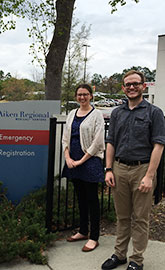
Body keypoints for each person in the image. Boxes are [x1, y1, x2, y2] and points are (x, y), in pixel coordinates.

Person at [101, 70, 165, 270]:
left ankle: (136, 259)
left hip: (142, 170)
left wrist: (149, 176)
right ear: (123, 87)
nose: (131, 87)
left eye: (135, 83)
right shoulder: (117, 113)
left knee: (140, 218)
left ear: (143, 86)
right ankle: (119, 254)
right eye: (127, 84)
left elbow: (159, 145)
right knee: (122, 216)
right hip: (119, 169)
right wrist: (109, 169)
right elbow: (110, 142)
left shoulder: (154, 113)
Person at [62, 84, 105, 252]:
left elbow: (98, 141)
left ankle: (94, 237)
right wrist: (68, 158)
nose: (82, 97)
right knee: (80, 198)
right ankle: (82, 231)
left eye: (85, 94)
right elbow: (65, 138)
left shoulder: (97, 115)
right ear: (76, 96)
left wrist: (82, 160)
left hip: (90, 161)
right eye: (79, 94)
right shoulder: (72, 114)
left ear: (91, 96)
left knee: (92, 200)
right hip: (73, 161)